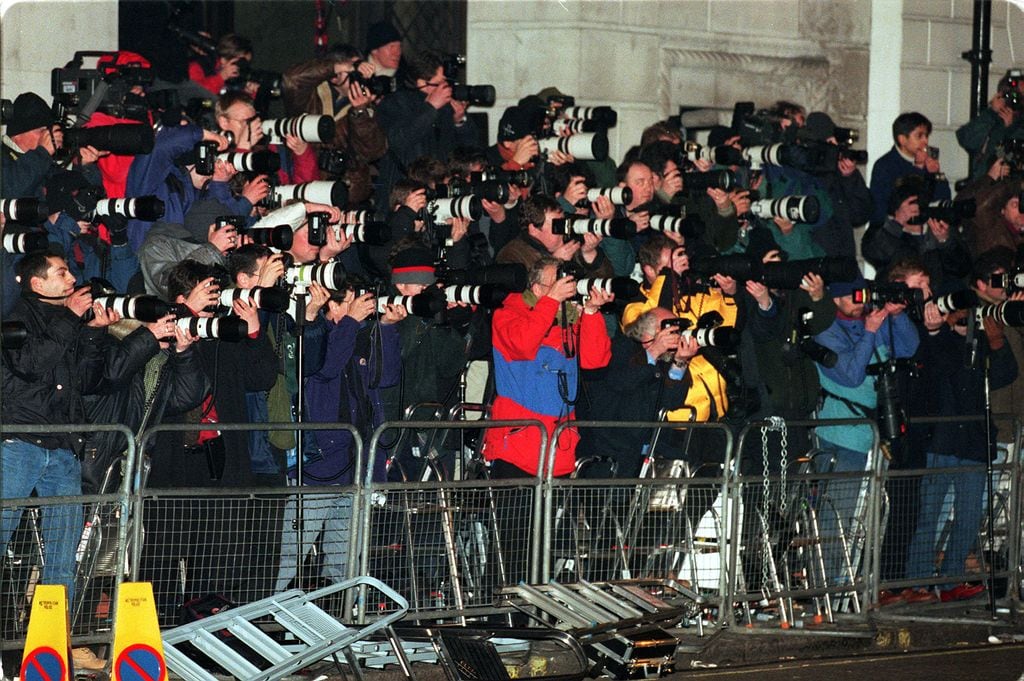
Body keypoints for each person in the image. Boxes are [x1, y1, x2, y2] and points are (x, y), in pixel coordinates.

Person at [1, 251, 118, 670]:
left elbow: (85, 381)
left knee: (63, 554)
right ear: (37, 284)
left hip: (63, 447)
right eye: (61, 272)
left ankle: (51, 645)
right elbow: (30, 366)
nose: (72, 278)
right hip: (20, 443)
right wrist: (71, 318)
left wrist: (94, 334)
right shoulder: (16, 317)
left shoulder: (68, 320)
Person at [274, 283, 405, 592]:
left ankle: (342, 623)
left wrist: (386, 328)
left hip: (356, 464)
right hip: (319, 468)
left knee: (345, 562)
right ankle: (261, 621)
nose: (361, 307)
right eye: (350, 302)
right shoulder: (313, 337)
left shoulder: (356, 338)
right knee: (290, 556)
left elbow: (386, 377)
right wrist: (348, 324)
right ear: (331, 307)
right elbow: (325, 367)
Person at [812, 275, 920, 585]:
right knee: (837, 516)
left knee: (864, 515)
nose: (861, 301)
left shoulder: (870, 319)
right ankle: (826, 586)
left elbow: (909, 347)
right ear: (836, 299)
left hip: (871, 432)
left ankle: (850, 581)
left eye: (864, 294)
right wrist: (871, 332)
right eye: (853, 296)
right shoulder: (826, 330)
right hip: (841, 434)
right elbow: (851, 375)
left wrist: (896, 316)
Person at [281, 44, 389, 205]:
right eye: (354, 73)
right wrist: (336, 67)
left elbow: (373, 151)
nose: (360, 79)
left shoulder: (367, 106)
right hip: (303, 182)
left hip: (346, 193)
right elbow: (291, 79)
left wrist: (361, 113)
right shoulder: (311, 96)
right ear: (334, 76)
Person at [869, 112, 951, 228]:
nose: (925, 142)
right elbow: (883, 208)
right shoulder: (885, 165)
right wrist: (917, 169)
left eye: (926, 136)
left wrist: (936, 174)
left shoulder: (928, 162)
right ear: (902, 139)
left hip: (925, 236)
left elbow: (944, 200)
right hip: (895, 235)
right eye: (919, 136)